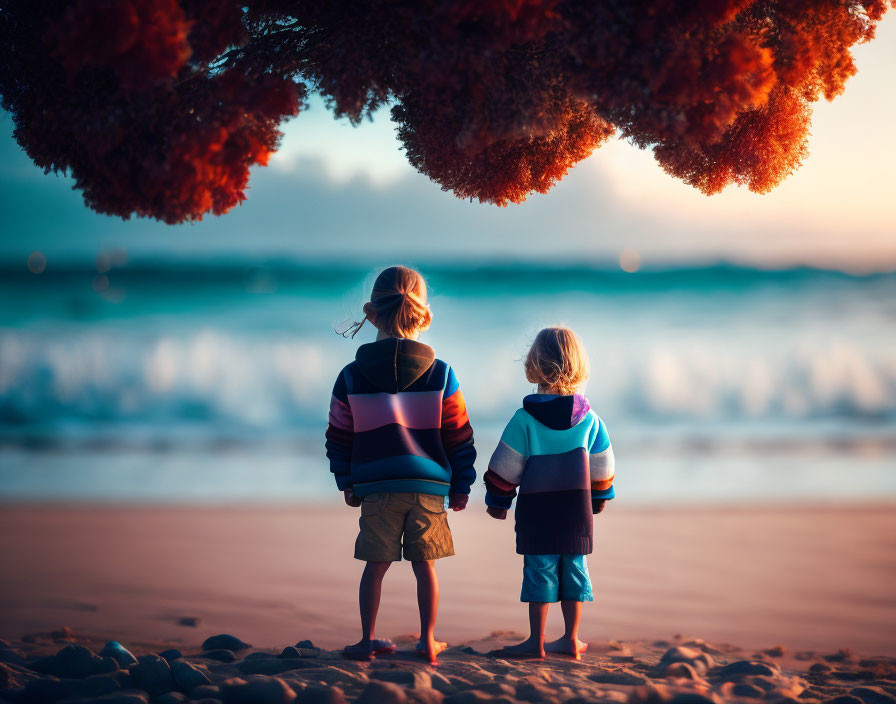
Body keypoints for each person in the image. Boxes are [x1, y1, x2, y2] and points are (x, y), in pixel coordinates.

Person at [325, 265, 476, 664]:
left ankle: (366, 639)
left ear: (371, 314)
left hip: (376, 487)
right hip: (428, 488)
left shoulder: (351, 376)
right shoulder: (442, 374)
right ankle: (428, 640)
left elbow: (339, 435)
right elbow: (458, 435)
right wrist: (462, 484)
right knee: (425, 565)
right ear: (424, 316)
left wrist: (346, 480)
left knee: (375, 566)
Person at [484, 326, 615, 659]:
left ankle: (536, 641)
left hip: (537, 513)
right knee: (574, 568)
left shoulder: (524, 420)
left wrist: (498, 500)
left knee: (540, 570)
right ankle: (571, 638)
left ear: (534, 366)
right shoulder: (591, 420)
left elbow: (504, 466)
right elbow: (603, 467)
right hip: (576, 511)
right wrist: (598, 499)